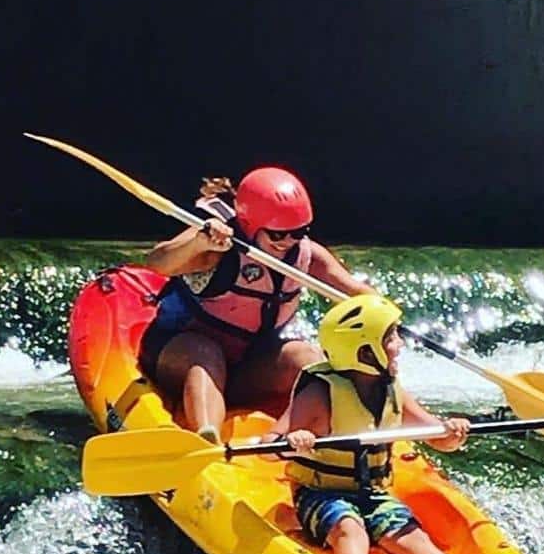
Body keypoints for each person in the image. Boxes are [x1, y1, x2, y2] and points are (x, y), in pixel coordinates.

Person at [281, 293, 510, 554]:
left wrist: (453, 433)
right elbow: (286, 441)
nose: (399, 345)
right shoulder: (319, 391)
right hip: (320, 494)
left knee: (409, 534)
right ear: (363, 351)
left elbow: (437, 436)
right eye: (389, 337)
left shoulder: (391, 389)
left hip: (374, 493)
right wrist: (299, 438)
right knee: (348, 526)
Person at [142, 166, 375, 443]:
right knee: (205, 354)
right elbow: (157, 262)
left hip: (247, 366)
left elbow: (356, 291)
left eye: (299, 231)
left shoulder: (306, 254)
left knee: (305, 357)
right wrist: (197, 244)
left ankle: (320, 437)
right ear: (251, 226)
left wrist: (383, 314)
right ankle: (207, 439)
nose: (288, 241)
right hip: (181, 355)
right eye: (277, 235)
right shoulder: (216, 246)